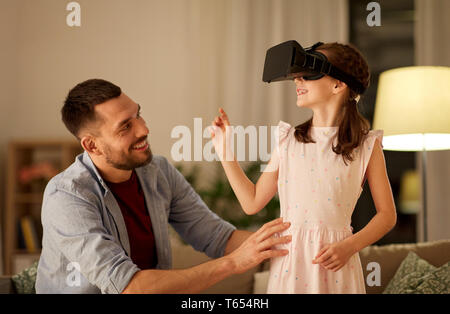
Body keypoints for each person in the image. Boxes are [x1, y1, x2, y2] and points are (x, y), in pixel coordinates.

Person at [35, 78, 292, 294]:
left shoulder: (158, 172)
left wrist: (299, 242)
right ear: (91, 145)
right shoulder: (67, 197)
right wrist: (233, 264)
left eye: (138, 115)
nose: (143, 129)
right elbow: (129, 287)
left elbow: (218, 237)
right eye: (126, 126)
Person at [210, 42, 397, 293]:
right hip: (290, 264)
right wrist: (224, 151)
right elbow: (252, 202)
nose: (298, 80)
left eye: (308, 74)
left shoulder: (366, 146)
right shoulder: (288, 141)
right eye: (297, 75)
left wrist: (350, 246)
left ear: (338, 84)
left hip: (338, 263)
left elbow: (387, 215)